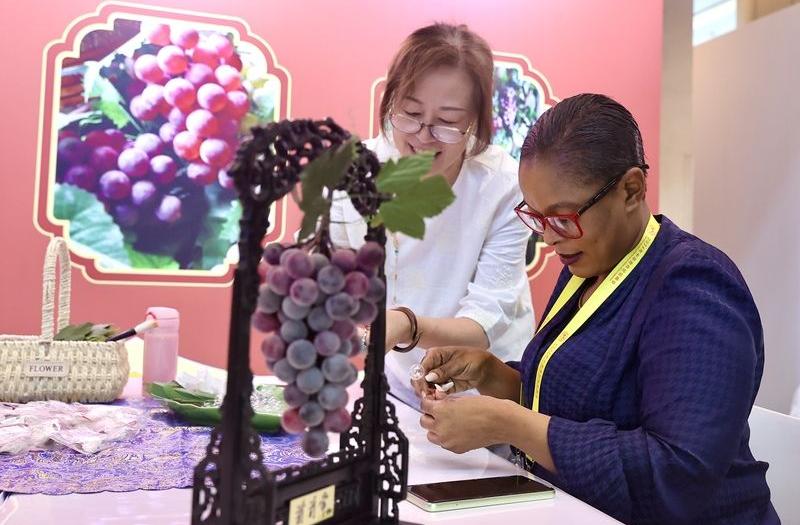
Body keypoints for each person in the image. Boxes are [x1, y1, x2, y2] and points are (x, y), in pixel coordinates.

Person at [414, 94, 779, 524]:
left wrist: (508, 424)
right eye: (537, 218)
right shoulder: (588, 265)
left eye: (563, 218)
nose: (549, 238)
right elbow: (578, 403)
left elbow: (677, 474)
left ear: (631, 189)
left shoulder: (693, 284)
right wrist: (491, 374)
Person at [330, 23, 534, 407]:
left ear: (475, 120)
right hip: (396, 381)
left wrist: (406, 324)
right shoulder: (357, 170)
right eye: (410, 113)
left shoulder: (503, 185)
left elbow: (484, 320)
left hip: (486, 385)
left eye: (447, 122)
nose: (423, 136)